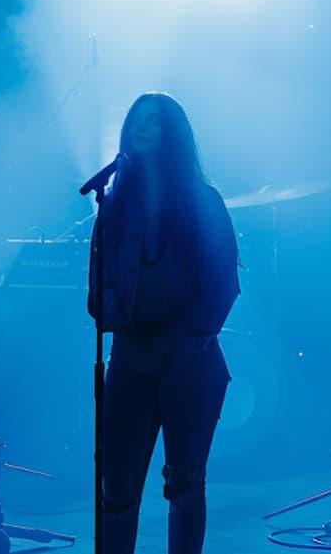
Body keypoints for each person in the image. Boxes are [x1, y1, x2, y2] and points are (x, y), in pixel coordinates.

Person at [87, 91, 240, 554]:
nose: (142, 125)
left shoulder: (202, 200)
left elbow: (223, 278)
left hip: (188, 359)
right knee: (117, 482)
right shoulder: (113, 203)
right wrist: (115, 310)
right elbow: (98, 285)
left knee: (185, 482)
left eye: (153, 120)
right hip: (131, 355)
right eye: (136, 118)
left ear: (172, 133)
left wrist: (192, 336)